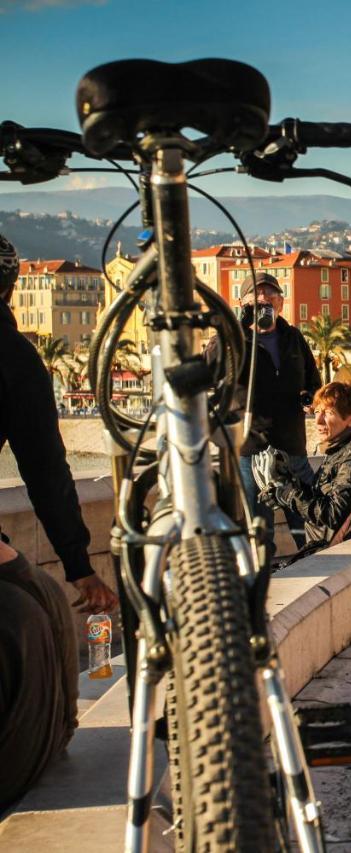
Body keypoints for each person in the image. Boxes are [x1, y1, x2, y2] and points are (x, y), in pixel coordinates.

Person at [0, 232, 116, 808]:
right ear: (12, 288)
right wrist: (78, 567)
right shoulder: (14, 355)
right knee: (37, 611)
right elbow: (46, 470)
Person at [213, 272, 321, 558]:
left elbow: (314, 381)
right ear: (243, 303)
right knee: (259, 531)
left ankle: (318, 571)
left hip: (291, 448)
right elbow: (210, 366)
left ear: (281, 303)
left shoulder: (293, 337)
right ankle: (266, 585)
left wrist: (311, 398)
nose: (264, 301)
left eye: (271, 296)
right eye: (256, 298)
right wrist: (238, 325)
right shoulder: (232, 339)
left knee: (309, 523)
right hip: (249, 450)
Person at [262, 382, 351, 552]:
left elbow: (333, 514)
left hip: (345, 552)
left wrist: (289, 495)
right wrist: (288, 484)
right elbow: (323, 496)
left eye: (328, 413)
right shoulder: (342, 446)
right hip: (335, 546)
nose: (318, 420)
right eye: (316, 412)